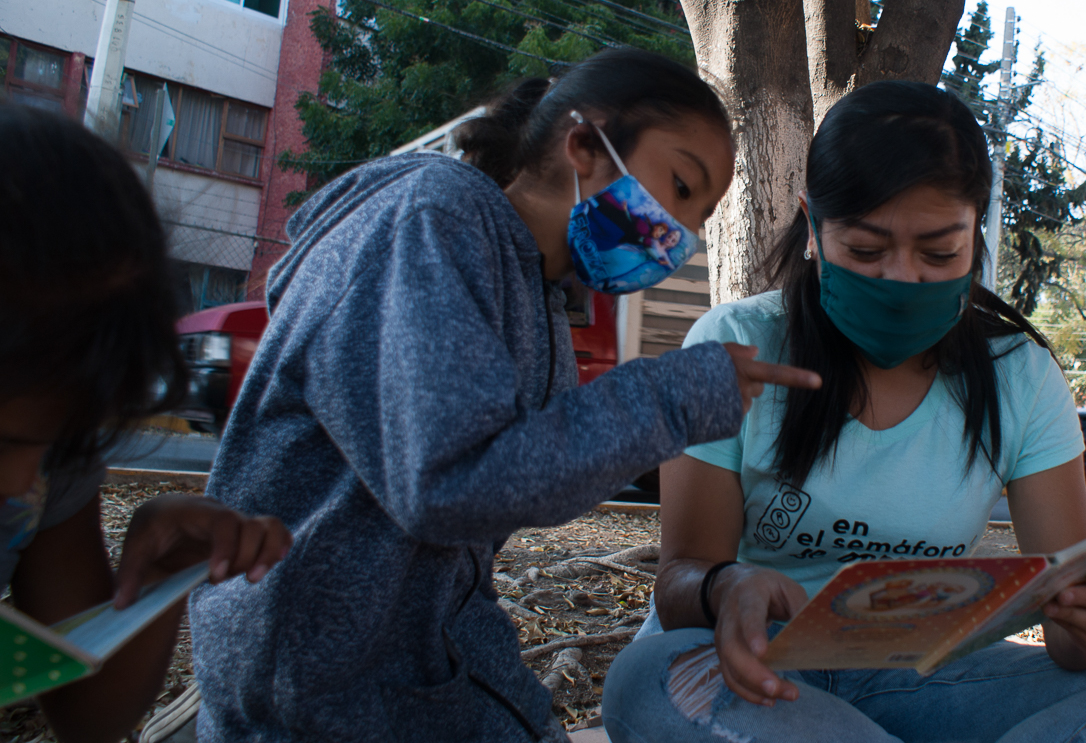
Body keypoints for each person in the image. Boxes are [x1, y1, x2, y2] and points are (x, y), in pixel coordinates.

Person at [188, 47, 820, 742]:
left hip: (421, 662)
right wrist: (673, 397)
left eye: (699, 216)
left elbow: (519, 478)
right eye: (679, 185)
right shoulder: (429, 219)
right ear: (583, 143)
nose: (682, 235)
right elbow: (451, 480)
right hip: (314, 684)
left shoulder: (532, 284)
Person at [600, 81, 1086, 743]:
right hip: (752, 670)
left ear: (975, 231)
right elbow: (679, 586)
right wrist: (726, 587)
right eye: (866, 250)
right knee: (649, 675)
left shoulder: (1018, 376)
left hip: (925, 678)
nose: (902, 278)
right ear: (813, 226)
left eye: (939, 253)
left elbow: (1069, 638)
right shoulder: (734, 347)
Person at [0, 104, 292, 743]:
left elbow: (88, 717)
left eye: (58, 445)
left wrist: (159, 582)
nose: (23, 480)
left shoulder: (47, 466)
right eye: (6, 443)